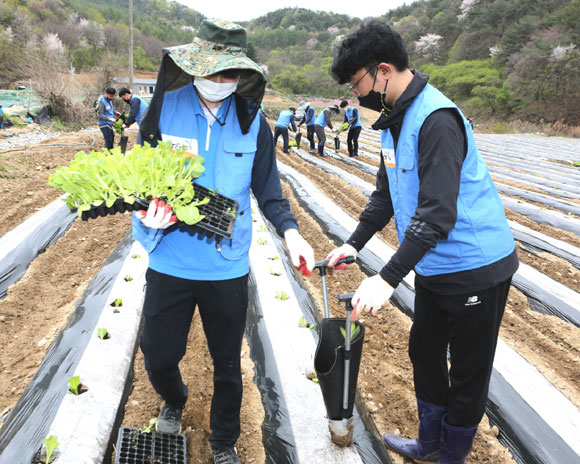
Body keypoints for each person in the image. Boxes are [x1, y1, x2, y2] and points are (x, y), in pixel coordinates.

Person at [326, 19, 518, 464]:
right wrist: (353, 244)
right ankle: (429, 443)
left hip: (475, 266)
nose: (356, 94)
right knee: (424, 351)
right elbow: (385, 197)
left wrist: (387, 276)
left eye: (357, 83)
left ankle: (450, 456)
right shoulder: (393, 121)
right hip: (433, 264)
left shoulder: (437, 120)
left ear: (384, 71)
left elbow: (437, 214)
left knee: (468, 373)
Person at [134, 19, 315, 464]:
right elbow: (138, 181)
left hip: (226, 263)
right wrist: (146, 208)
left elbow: (269, 190)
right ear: (194, 67)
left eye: (228, 74)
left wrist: (291, 233)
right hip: (170, 257)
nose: (218, 82)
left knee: (228, 365)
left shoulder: (254, 125)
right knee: (158, 356)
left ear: (241, 75)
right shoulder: (160, 111)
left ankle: (223, 441)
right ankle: (174, 397)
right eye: (211, 71)